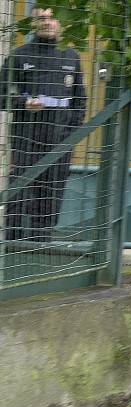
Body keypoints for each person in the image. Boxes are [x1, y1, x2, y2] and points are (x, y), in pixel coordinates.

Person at [0, 3, 86, 242]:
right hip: (27, 138)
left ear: (60, 22)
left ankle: (41, 247)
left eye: (52, 18)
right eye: (42, 18)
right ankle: (12, 248)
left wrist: (70, 135)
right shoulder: (20, 55)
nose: (47, 22)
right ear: (34, 23)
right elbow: (1, 94)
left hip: (60, 140)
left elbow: (80, 102)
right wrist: (22, 103)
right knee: (20, 195)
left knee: (51, 197)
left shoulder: (71, 56)